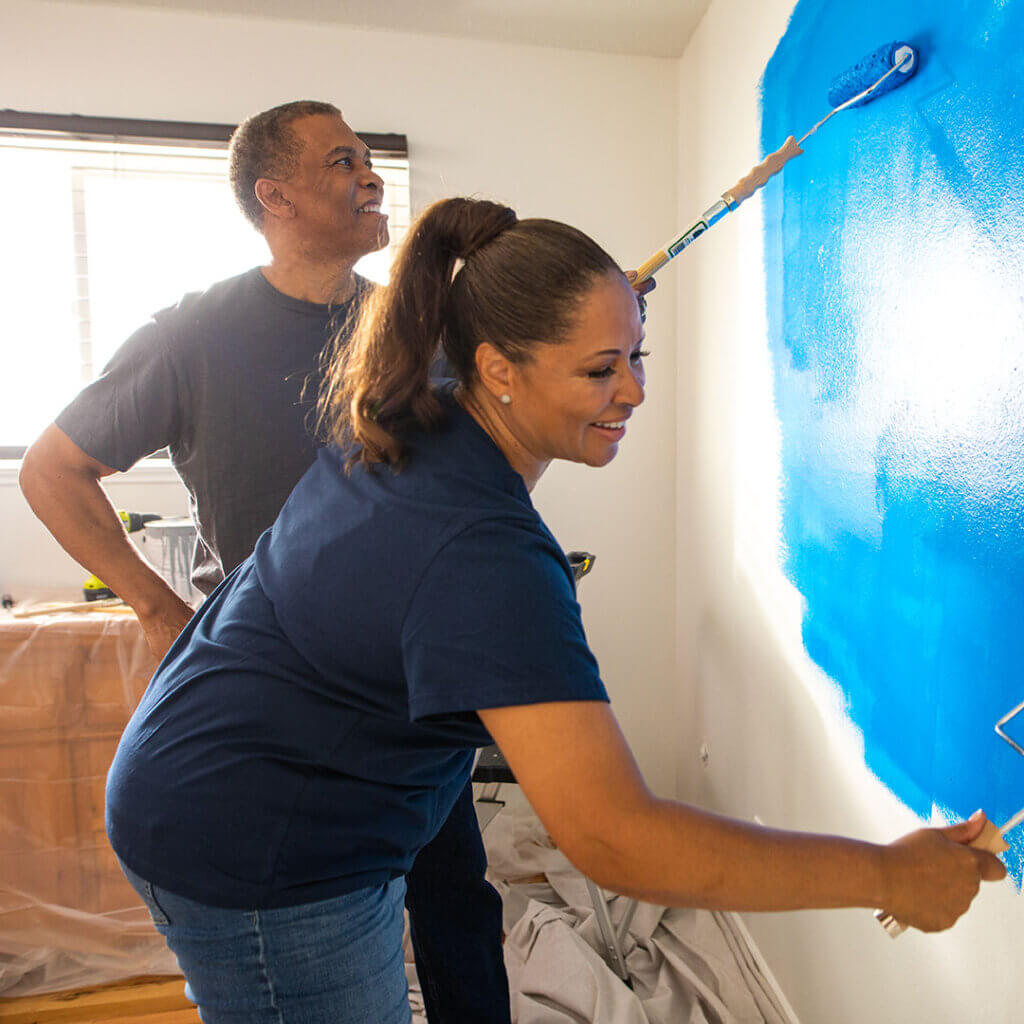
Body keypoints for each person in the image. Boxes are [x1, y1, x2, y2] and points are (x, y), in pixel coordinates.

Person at [104, 196, 1005, 1024]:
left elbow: (490, 329)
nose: (636, 391)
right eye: (601, 369)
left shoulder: (415, 404)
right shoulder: (485, 557)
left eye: (637, 356)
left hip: (209, 767)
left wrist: (599, 314)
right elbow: (617, 837)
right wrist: (886, 872)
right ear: (496, 367)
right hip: (252, 847)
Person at [20, 102, 511, 1023]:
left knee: (454, 896)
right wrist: (159, 611)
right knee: (307, 915)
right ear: (274, 196)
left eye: (370, 159)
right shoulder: (191, 336)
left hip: (416, 681)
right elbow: (52, 472)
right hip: (278, 695)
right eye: (342, 161)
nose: (370, 176)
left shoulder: (412, 331)